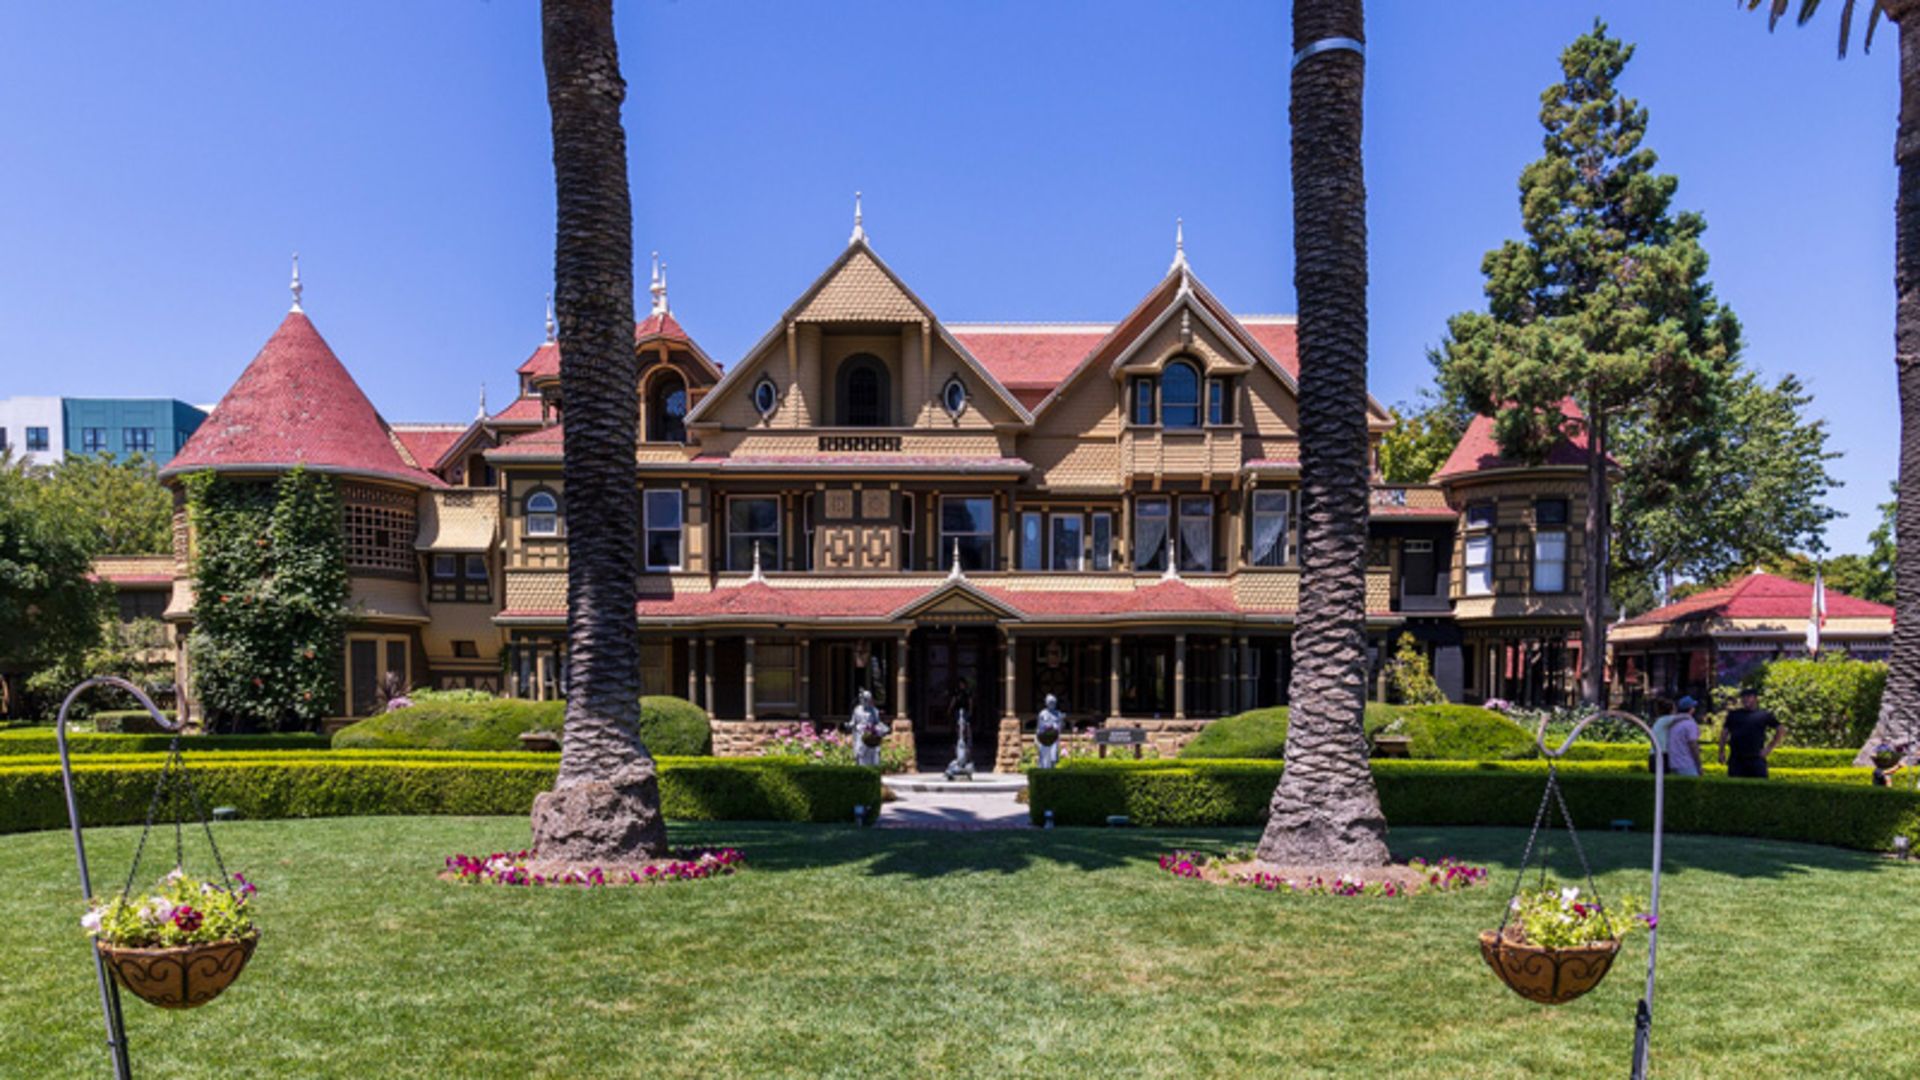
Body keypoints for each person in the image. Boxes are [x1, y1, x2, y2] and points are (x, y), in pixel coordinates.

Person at [1718, 687, 1784, 779]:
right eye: (1743, 697)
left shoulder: (1763, 715)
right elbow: (1724, 733)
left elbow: (1780, 728)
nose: (1745, 699)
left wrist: (1769, 748)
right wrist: (1721, 751)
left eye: (1749, 696)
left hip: (1756, 757)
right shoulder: (1734, 715)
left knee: (1760, 787)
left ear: (1755, 698)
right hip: (1737, 759)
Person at [1663, 696, 1703, 777]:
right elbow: (1693, 744)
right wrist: (1699, 764)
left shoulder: (1673, 723)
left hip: (1673, 764)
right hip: (1687, 764)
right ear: (1691, 709)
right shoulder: (1690, 724)